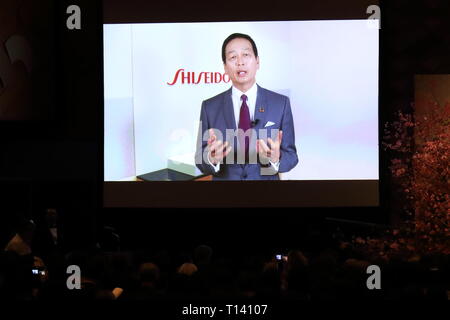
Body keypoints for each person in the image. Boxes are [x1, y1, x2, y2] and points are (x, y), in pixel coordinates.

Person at [195, 33, 298, 180]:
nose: (240, 62)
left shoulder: (281, 104)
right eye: (232, 57)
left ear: (257, 62)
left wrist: (276, 158)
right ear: (225, 67)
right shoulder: (209, 107)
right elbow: (200, 159)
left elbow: (292, 156)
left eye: (246, 55)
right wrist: (211, 159)